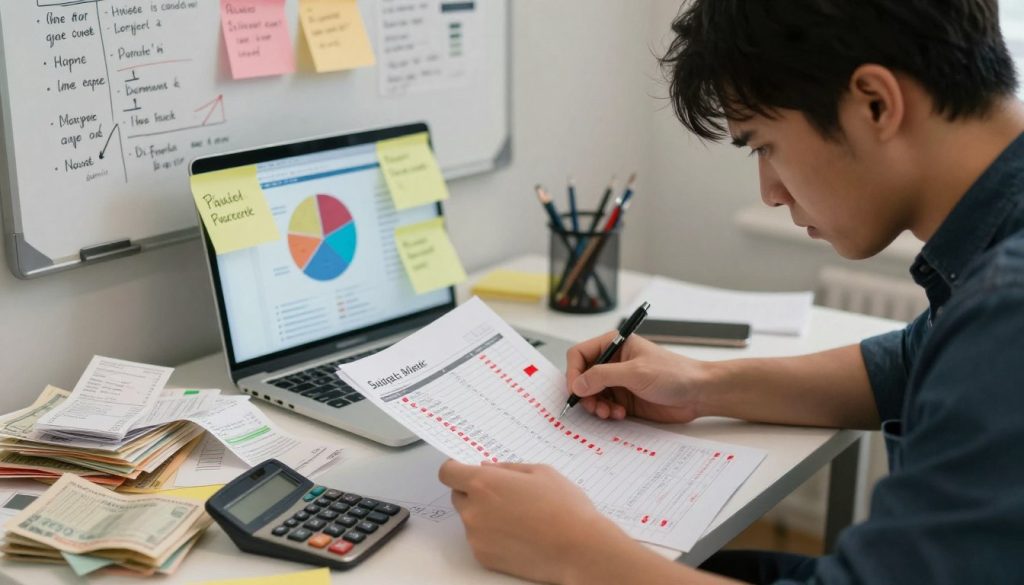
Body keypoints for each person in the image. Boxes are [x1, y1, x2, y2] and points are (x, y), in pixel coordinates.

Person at [439, 0, 1024, 583]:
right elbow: (906, 364)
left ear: (875, 103)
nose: (769, 190)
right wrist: (700, 386)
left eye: (764, 144)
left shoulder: (1007, 310)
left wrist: (573, 553)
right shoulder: (994, 265)